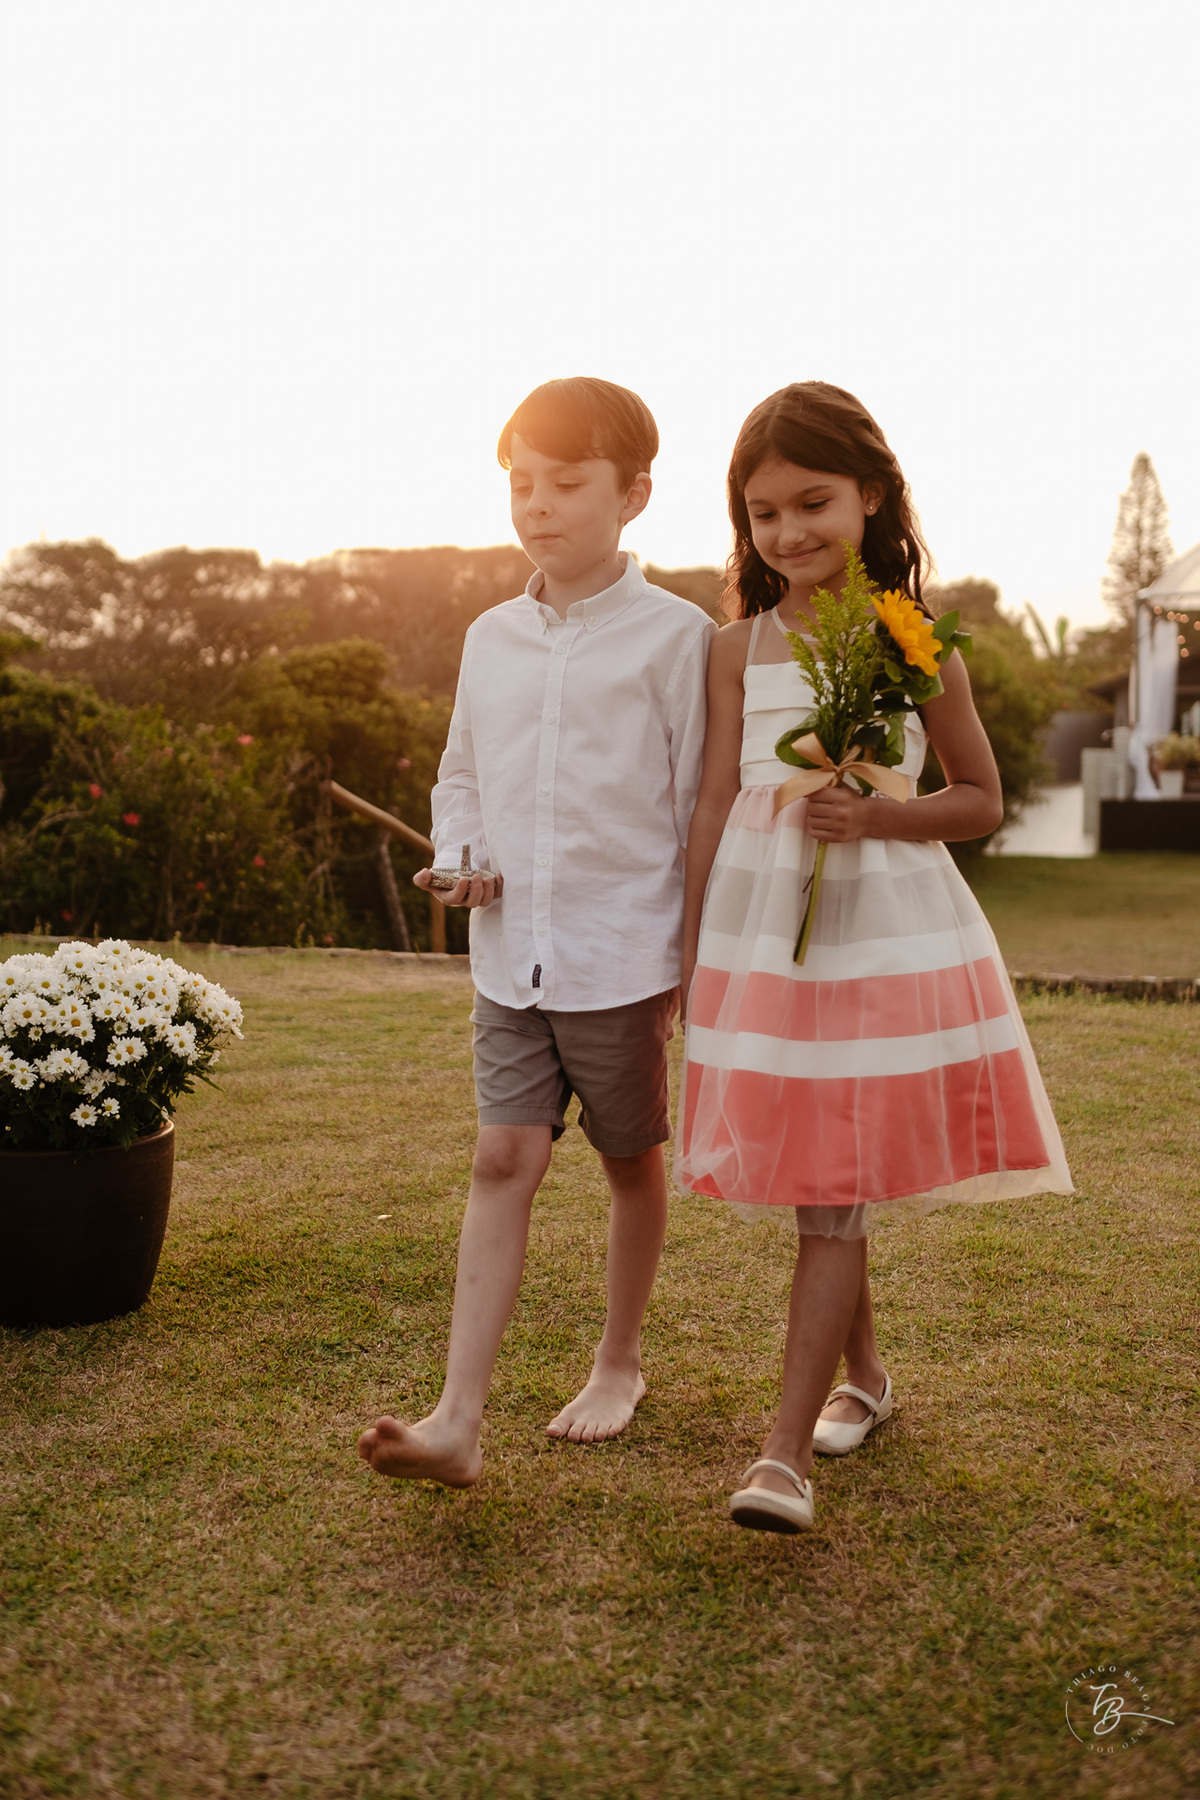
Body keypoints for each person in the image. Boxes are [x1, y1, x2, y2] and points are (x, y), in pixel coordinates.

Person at [675, 381, 1072, 1535]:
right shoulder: (731, 649)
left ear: (873, 498)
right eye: (763, 515)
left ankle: (782, 1458)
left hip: (880, 937)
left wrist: (879, 817)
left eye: (814, 503)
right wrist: (698, 952)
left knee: (833, 1190)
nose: (789, 534)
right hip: (765, 938)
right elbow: (711, 805)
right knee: (817, 1174)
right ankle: (870, 1383)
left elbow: (980, 800)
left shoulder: (920, 646)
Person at [359, 377, 716, 1487]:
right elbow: (462, 771)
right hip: (510, 953)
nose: (538, 504)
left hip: (621, 958)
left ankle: (620, 1362)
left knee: (627, 1162)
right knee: (502, 1154)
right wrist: (461, 856)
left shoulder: (679, 638)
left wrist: (696, 963)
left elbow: (697, 799)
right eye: (522, 482)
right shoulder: (489, 636)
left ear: (636, 493)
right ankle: (457, 1418)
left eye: (567, 483)